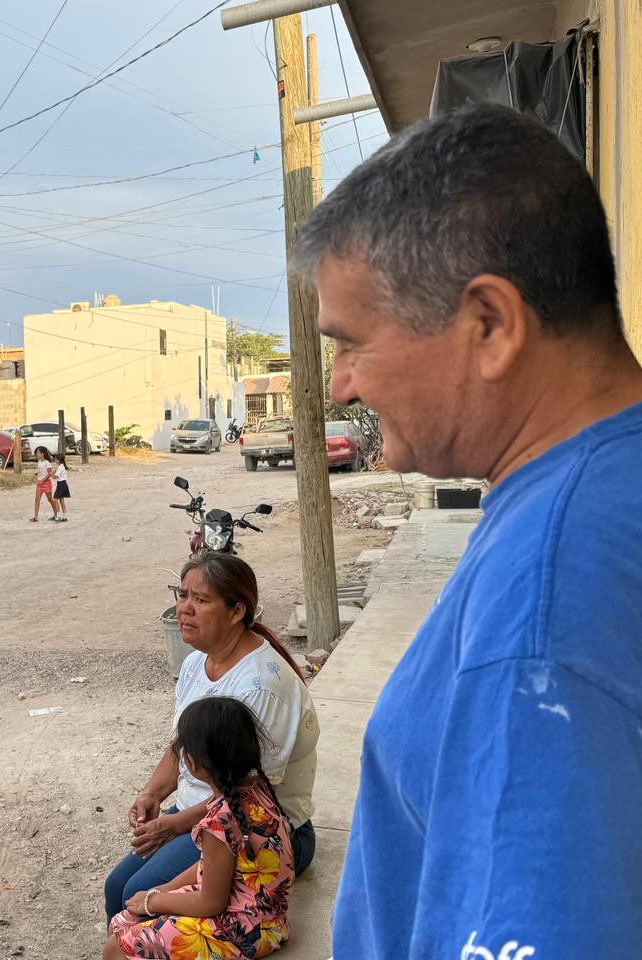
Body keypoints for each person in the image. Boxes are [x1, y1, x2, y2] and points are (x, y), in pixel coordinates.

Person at [291, 102, 642, 958]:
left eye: (350, 343)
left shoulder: (545, 608)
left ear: (489, 325)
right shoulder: (601, 491)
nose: (339, 386)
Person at [104, 553, 317, 920]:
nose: (184, 608)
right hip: (204, 814)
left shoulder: (261, 687)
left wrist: (174, 824)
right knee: (116, 888)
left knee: (139, 899)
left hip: (256, 832)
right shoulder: (194, 664)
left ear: (237, 611)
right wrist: (152, 793)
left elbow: (251, 796)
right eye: (182, 594)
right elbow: (181, 746)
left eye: (201, 599)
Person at [105, 697, 294, 960]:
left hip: (244, 930)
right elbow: (211, 867)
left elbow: (210, 903)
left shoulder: (219, 822)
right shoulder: (255, 789)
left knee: (117, 946)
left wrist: (153, 901)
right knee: (124, 921)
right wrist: (162, 890)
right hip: (263, 915)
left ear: (192, 763)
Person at [30, 446, 57, 522]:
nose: (36, 454)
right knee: (37, 500)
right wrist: (36, 472)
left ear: (42, 454)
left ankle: (55, 514)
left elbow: (49, 474)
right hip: (39, 484)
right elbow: (39, 469)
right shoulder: (39, 462)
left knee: (50, 499)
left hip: (46, 483)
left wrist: (42, 480)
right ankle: (35, 517)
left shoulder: (47, 463)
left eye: (37, 453)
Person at [52, 454, 71, 522]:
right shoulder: (61, 466)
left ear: (58, 460)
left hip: (61, 484)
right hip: (63, 484)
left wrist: (50, 474)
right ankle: (64, 516)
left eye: (55, 459)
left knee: (55, 499)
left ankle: (58, 516)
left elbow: (55, 477)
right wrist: (54, 472)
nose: (55, 460)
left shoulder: (60, 467)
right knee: (61, 500)